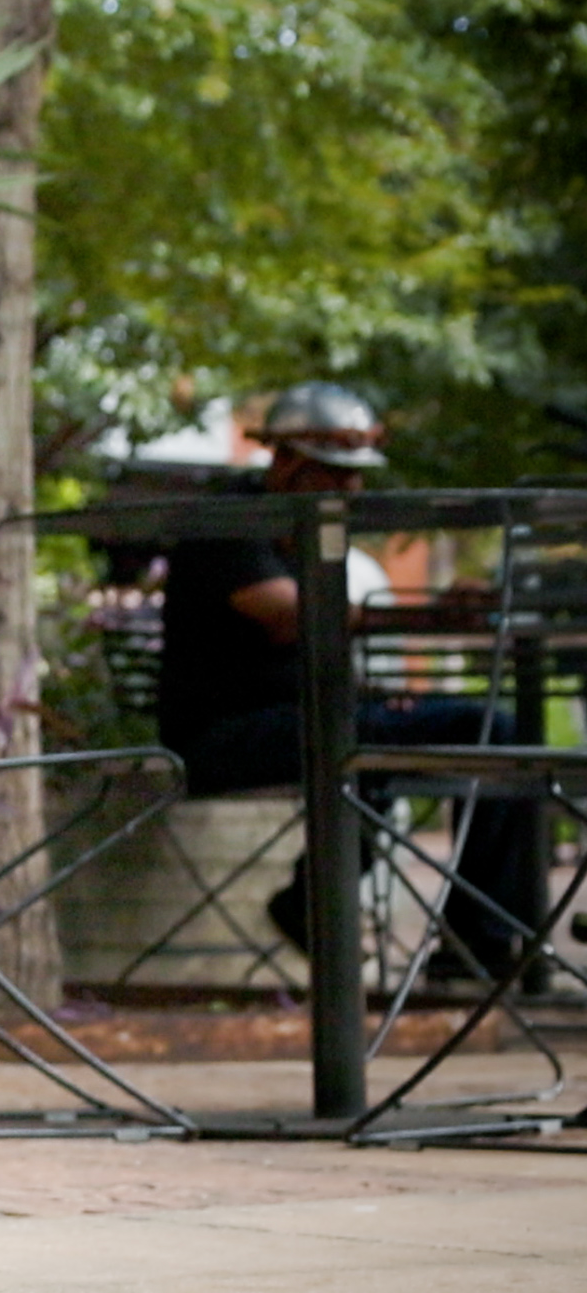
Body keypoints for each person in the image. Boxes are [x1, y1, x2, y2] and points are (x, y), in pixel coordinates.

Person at [156, 382, 543, 980]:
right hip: (224, 737)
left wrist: (382, 689)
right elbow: (290, 615)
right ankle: (472, 944)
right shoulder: (230, 520)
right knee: (482, 730)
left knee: (495, 735)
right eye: (334, 472)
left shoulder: (307, 529)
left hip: (310, 721)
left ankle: (456, 939)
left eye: (355, 473)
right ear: (286, 463)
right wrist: (426, 616)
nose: (352, 488)